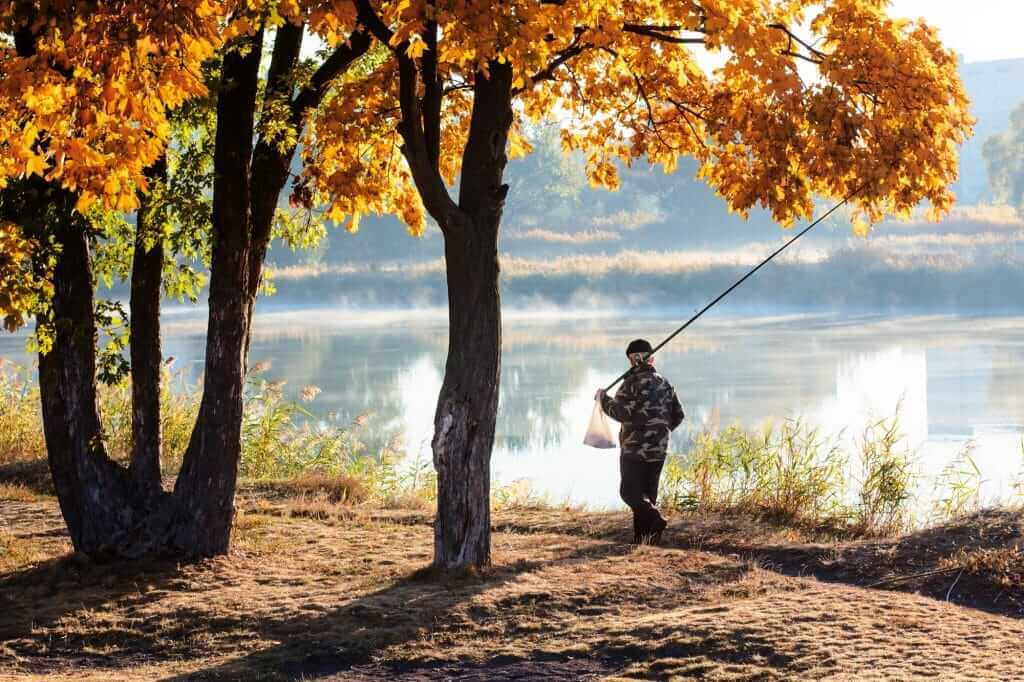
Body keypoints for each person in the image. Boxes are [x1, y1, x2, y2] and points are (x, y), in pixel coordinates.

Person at [596, 339, 685, 545]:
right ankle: (646, 541)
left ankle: (655, 519)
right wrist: (660, 432)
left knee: (629, 492)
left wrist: (603, 399)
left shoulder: (630, 383)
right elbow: (678, 415)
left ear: (631, 360)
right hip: (659, 449)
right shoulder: (665, 383)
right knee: (647, 495)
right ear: (651, 358)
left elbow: (621, 413)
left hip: (634, 449)